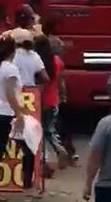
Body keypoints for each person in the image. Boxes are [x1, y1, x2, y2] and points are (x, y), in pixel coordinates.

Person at [0, 35, 40, 201]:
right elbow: (10, 93)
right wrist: (19, 114)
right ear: (12, 51)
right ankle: (27, 188)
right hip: (7, 115)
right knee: (27, 148)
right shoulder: (10, 69)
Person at [35, 35, 70, 172]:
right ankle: (60, 149)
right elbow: (61, 83)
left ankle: (44, 161)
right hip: (53, 100)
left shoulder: (38, 62)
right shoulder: (57, 62)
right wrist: (63, 96)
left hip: (39, 100)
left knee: (40, 132)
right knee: (50, 130)